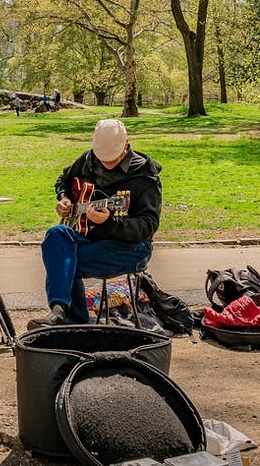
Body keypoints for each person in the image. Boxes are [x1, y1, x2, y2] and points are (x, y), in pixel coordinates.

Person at [28, 119, 162, 328]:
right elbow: (64, 179)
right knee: (56, 235)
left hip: (130, 247)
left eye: (112, 158)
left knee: (64, 262)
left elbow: (148, 225)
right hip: (90, 237)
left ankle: (70, 320)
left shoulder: (144, 174)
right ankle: (64, 314)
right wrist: (64, 198)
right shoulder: (88, 160)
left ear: (125, 145)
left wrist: (110, 222)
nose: (106, 163)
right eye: (102, 158)